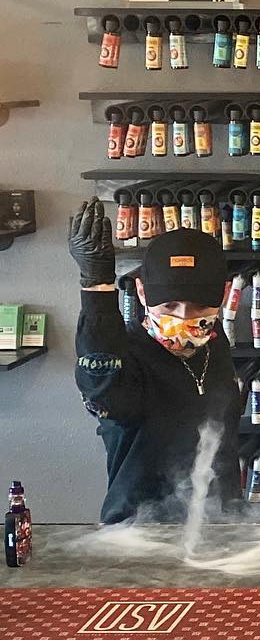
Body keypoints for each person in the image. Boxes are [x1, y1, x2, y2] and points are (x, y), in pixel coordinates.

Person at [69, 199, 241, 524]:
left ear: (223, 294)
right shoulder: (125, 357)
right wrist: (97, 289)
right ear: (142, 293)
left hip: (221, 525)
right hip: (139, 532)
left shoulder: (213, 344)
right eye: (170, 306)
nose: (184, 318)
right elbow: (102, 389)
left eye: (199, 307)